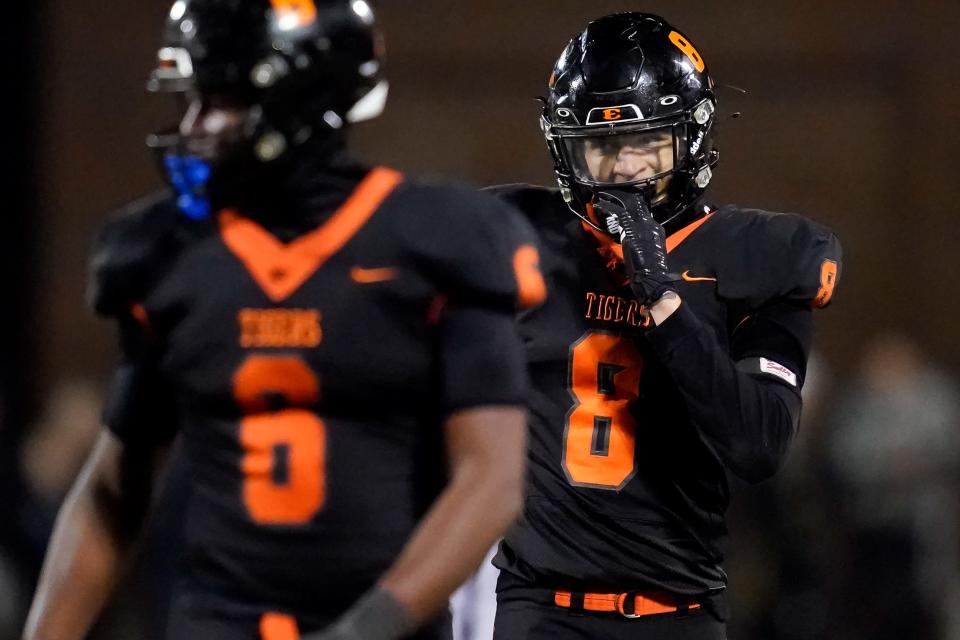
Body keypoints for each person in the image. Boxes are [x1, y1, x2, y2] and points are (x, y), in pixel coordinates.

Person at [22, 1, 546, 639]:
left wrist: (361, 631)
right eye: (193, 99)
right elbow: (113, 495)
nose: (196, 124)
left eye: (221, 100)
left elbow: (491, 482)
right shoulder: (170, 256)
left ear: (302, 99)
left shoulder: (434, 243)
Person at [488, 12, 842, 639]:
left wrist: (664, 301)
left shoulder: (758, 257)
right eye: (602, 147)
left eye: (646, 142)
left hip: (675, 612)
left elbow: (757, 445)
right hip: (538, 609)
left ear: (690, 138)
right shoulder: (516, 236)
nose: (624, 168)